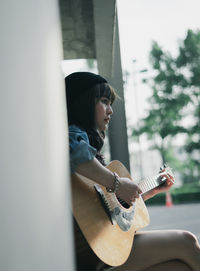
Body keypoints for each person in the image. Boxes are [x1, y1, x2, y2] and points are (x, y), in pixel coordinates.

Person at [65, 72, 200, 271]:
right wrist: (117, 183)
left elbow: (107, 211)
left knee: (179, 267)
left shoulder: (92, 165)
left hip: (100, 254)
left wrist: (150, 191)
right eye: (104, 101)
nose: (111, 111)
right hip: (88, 258)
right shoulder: (71, 134)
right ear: (82, 103)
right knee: (187, 241)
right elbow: (73, 151)